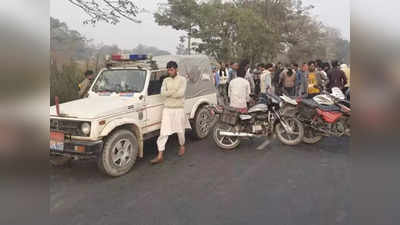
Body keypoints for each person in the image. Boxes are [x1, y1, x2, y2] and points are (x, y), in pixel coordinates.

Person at [150, 61, 191, 164]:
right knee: (163, 132)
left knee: (180, 131)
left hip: (178, 109)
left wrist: (169, 93)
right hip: (167, 109)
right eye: (168, 70)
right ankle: (160, 155)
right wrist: (173, 92)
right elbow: (162, 93)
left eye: (171, 69)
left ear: (176, 69)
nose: (170, 72)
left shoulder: (182, 80)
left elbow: (181, 94)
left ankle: (182, 146)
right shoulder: (166, 80)